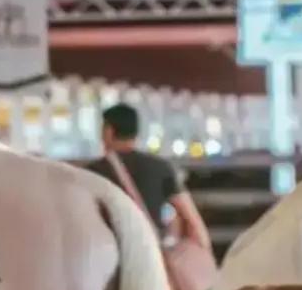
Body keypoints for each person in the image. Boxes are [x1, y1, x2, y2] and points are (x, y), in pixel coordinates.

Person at [87, 104, 211, 252]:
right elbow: (193, 221)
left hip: (109, 256)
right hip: (152, 254)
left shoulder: (93, 172)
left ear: (108, 131)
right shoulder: (161, 167)